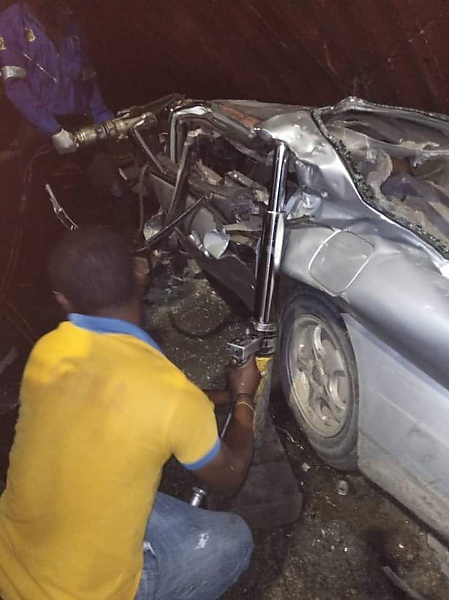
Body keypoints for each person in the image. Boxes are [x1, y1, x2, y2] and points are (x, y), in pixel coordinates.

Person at [0, 226, 260, 600]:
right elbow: (230, 475)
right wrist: (243, 398)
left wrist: (210, 397)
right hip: (87, 593)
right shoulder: (168, 396)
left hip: (12, 565)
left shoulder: (48, 350)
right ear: (140, 274)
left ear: (62, 300)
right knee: (234, 538)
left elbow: (119, 397)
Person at [0, 0, 136, 233]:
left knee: (115, 187)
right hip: (37, 126)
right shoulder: (9, 23)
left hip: (77, 123)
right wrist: (53, 129)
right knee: (33, 203)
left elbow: (87, 80)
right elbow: (15, 87)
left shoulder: (67, 20)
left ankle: (133, 246)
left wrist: (106, 120)